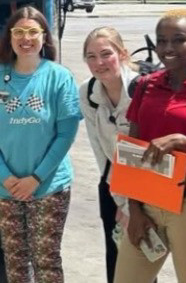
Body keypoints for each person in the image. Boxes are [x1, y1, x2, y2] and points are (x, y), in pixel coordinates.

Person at [0, 6, 81, 283]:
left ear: (44, 37)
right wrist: (5, 175)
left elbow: (66, 134)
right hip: (4, 186)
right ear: (9, 36)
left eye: (33, 32)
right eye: (19, 31)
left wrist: (35, 178)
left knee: (46, 260)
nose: (26, 38)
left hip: (48, 187)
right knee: (15, 260)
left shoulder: (59, 77)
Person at [114, 9, 186, 283]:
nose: (168, 48)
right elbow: (132, 149)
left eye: (179, 39)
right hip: (146, 204)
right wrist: (133, 209)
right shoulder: (146, 86)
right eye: (162, 40)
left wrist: (183, 143)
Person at [79, 27, 139, 283]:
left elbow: (143, 152)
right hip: (112, 184)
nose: (99, 63)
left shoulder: (142, 90)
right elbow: (101, 152)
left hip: (147, 187)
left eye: (106, 54)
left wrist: (131, 205)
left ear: (122, 54)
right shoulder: (88, 92)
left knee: (144, 259)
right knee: (116, 260)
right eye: (91, 57)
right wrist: (119, 200)